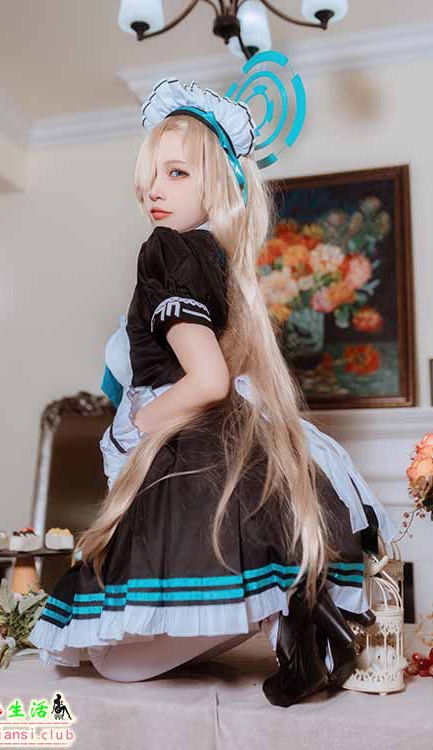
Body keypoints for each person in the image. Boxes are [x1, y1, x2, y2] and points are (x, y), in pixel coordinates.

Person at [28, 73, 398, 707]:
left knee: (112, 663)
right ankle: (296, 614)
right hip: (222, 447)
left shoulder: (167, 250)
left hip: (189, 449)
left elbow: (208, 379)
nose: (152, 189)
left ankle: (281, 611)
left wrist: (141, 423)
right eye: (151, 174)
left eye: (177, 173)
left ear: (219, 185)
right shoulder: (214, 259)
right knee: (131, 636)